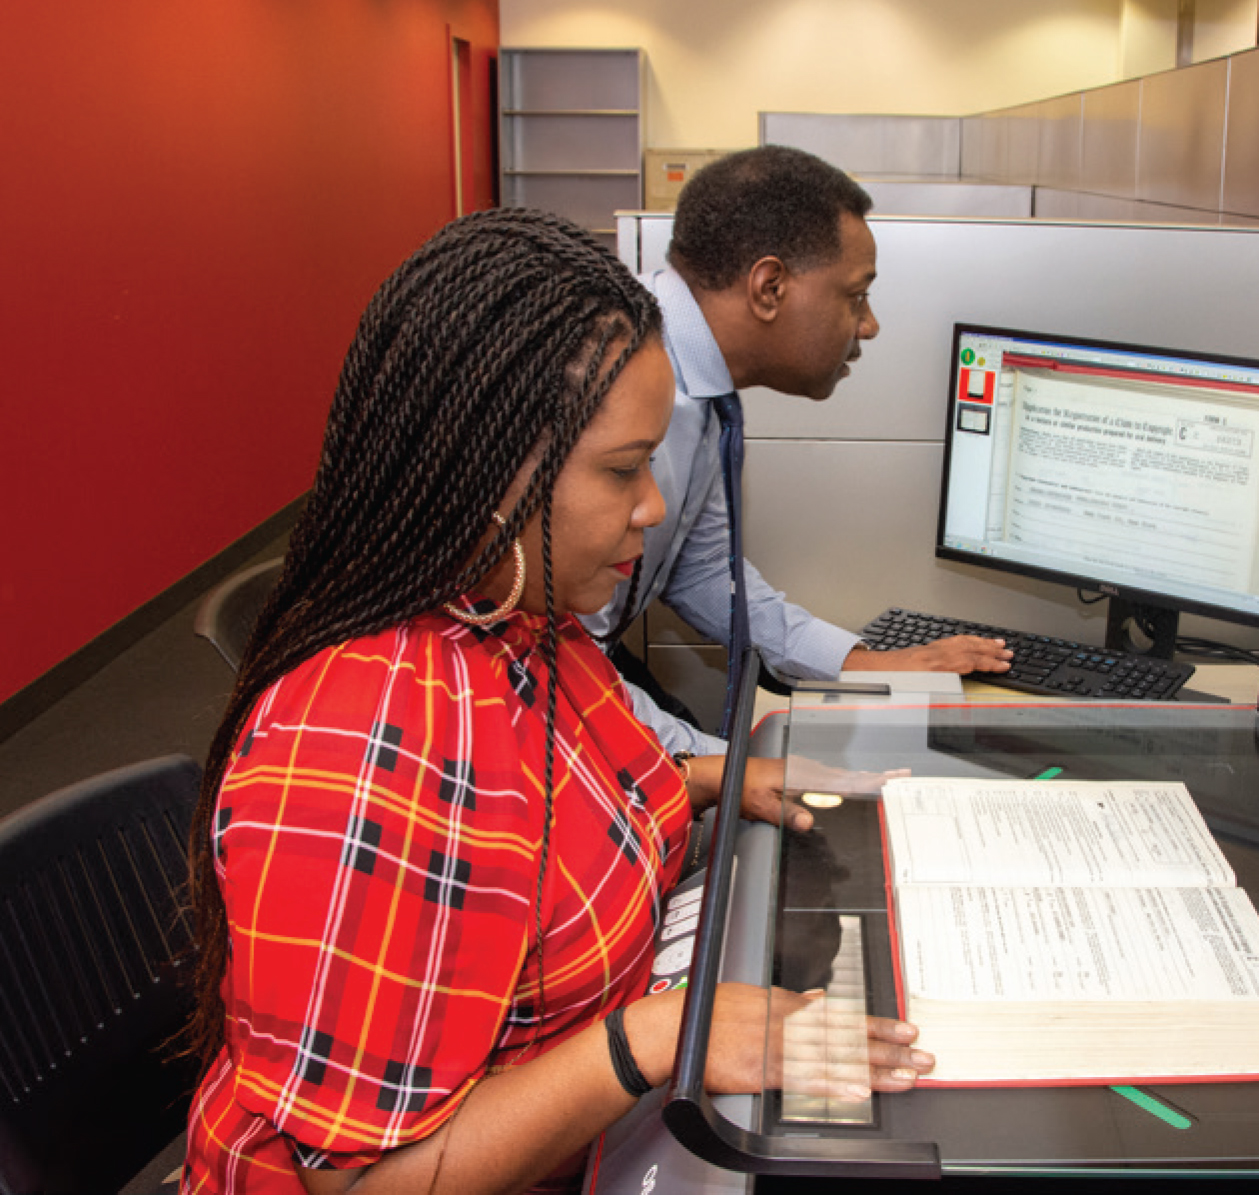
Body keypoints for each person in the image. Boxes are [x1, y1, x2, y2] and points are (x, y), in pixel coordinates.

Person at [180, 209, 930, 1194]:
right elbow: (361, 1185)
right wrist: (650, 1041)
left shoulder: (516, 613)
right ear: (488, 468)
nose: (653, 506)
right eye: (624, 470)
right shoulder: (358, 751)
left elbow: (572, 783)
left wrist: (722, 777)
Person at [581, 146, 1013, 760]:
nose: (869, 325)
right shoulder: (614, 390)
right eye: (855, 296)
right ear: (769, 287)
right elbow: (544, 669)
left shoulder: (699, 380)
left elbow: (702, 572)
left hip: (586, 675)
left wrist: (867, 664)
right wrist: (723, 771)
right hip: (553, 694)